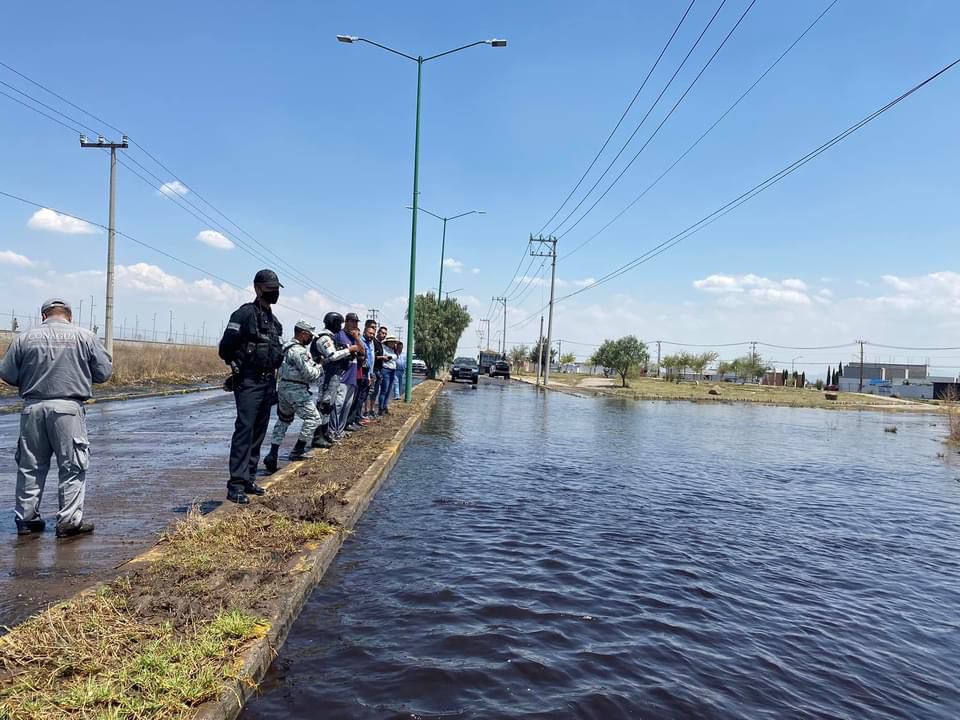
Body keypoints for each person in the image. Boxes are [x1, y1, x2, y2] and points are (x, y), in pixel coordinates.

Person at [0, 298, 112, 537]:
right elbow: (104, 373)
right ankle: (69, 522)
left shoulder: (24, 338)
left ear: (43, 316)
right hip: (69, 408)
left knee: (30, 466)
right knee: (72, 466)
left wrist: (30, 379)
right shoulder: (85, 337)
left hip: (32, 408)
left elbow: (7, 373)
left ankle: (27, 520)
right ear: (69, 316)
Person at [218, 269, 284, 504]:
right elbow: (225, 347)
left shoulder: (275, 322)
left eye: (276, 288)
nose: (274, 292)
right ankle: (235, 484)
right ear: (257, 288)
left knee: (259, 432)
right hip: (248, 381)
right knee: (245, 430)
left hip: (267, 382)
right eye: (269, 288)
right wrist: (236, 365)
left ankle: (249, 479)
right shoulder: (244, 314)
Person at [263, 320, 324, 473]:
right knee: (314, 418)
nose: (311, 339)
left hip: (283, 388)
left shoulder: (286, 347)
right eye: (310, 336)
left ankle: (273, 453)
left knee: (284, 420)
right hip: (296, 389)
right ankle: (298, 449)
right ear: (303, 334)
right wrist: (320, 367)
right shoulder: (300, 351)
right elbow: (310, 374)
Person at [311, 311, 358, 446]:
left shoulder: (332, 337)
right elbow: (332, 355)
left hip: (334, 375)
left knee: (328, 406)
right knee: (324, 405)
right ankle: (317, 436)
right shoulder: (324, 338)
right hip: (326, 375)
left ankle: (324, 434)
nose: (340, 326)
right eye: (339, 323)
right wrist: (349, 350)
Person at [331, 312, 362, 438]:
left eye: (356, 322)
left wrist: (357, 338)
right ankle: (333, 431)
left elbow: (362, 351)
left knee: (347, 406)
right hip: (342, 376)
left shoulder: (353, 337)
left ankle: (340, 430)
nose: (355, 324)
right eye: (353, 321)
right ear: (347, 321)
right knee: (338, 404)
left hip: (352, 377)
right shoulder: (339, 335)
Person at [378, 336, 398, 415]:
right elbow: (385, 358)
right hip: (386, 370)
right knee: (384, 390)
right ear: (387, 342)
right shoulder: (384, 348)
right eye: (391, 342)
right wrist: (387, 358)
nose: (392, 343)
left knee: (389, 390)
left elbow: (394, 357)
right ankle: (381, 408)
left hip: (392, 370)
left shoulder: (393, 350)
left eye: (393, 342)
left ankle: (385, 406)